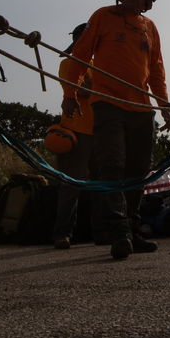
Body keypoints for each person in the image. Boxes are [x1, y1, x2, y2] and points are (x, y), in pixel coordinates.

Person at [64, 0, 170, 260]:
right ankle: (119, 231)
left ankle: (133, 229)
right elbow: (79, 56)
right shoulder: (102, 17)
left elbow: (157, 70)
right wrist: (69, 94)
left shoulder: (150, 28)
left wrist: (163, 104)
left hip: (141, 108)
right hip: (107, 104)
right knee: (112, 165)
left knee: (138, 170)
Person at [49, 23, 99, 250]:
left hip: (100, 130)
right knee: (71, 185)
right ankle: (63, 233)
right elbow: (82, 90)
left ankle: (103, 231)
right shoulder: (68, 64)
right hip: (77, 131)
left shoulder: (100, 64)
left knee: (102, 184)